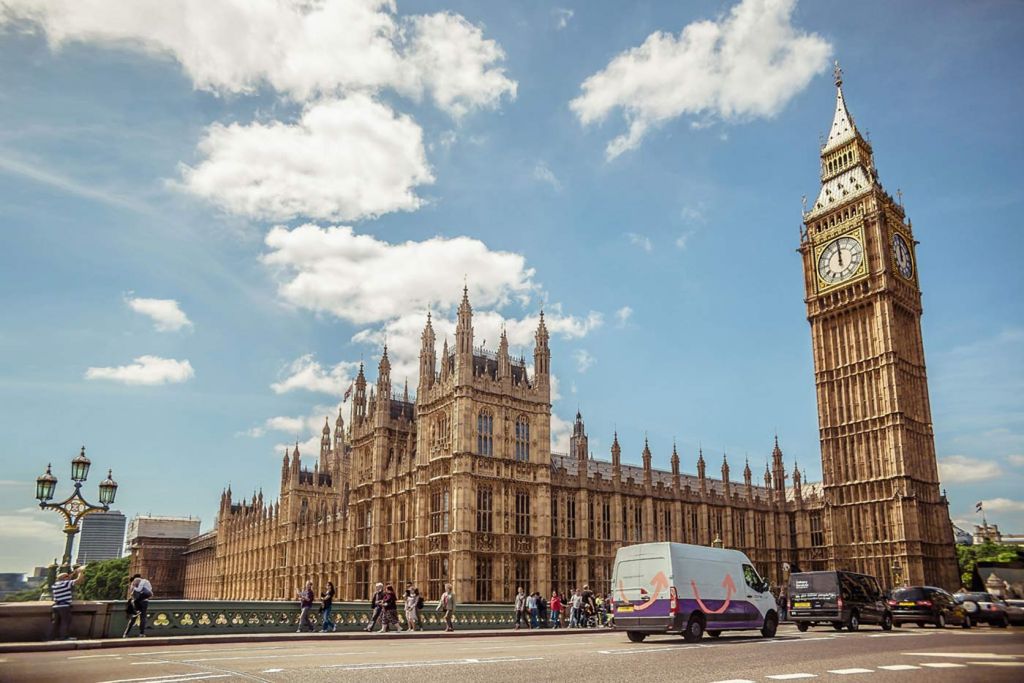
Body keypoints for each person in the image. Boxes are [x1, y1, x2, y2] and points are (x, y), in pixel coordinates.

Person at [48, 565, 86, 641]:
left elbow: (67, 579)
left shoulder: (55, 585)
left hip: (56, 606)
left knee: (56, 623)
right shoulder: (65, 583)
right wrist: (80, 572)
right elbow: (79, 581)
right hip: (64, 606)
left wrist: (71, 574)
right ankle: (64, 637)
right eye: (67, 576)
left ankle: (52, 637)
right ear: (64, 578)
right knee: (65, 622)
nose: (69, 577)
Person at [122, 573, 153, 638]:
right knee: (143, 618)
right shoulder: (145, 581)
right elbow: (149, 591)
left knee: (133, 617)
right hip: (144, 602)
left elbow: (131, 593)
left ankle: (126, 633)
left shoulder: (133, 584)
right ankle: (141, 633)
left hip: (135, 601)